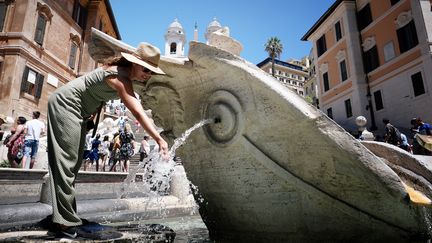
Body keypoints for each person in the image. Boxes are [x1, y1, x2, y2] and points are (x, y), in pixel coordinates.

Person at [46, 42, 169, 239]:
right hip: (65, 105)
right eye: (146, 69)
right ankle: (64, 222)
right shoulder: (120, 78)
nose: (148, 74)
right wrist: (159, 139)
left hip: (78, 112)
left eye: (152, 72)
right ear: (135, 64)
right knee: (66, 163)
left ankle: (68, 216)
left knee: (73, 164)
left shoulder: (123, 75)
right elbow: (136, 111)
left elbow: (94, 92)